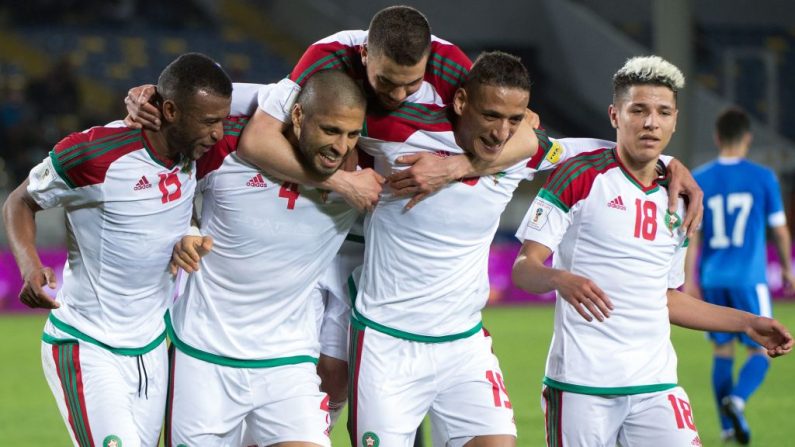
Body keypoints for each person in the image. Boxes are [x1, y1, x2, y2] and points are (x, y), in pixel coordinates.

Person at [511, 56, 793, 447]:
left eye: (662, 112)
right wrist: (560, 278)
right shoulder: (580, 175)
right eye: (638, 110)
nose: (650, 122)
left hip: (656, 385)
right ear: (615, 115)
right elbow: (524, 267)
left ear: (675, 120)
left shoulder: (681, 198)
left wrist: (747, 323)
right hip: (580, 385)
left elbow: (666, 299)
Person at [2, 53, 232, 447]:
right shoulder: (94, 155)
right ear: (172, 110)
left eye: (222, 121)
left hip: (152, 350)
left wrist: (189, 234)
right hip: (88, 346)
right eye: (209, 122)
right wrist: (29, 265)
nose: (217, 134)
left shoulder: (191, 153)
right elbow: (20, 201)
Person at [162, 69, 379, 446]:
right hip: (203, 358)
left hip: (288, 364)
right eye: (329, 130)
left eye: (352, 134)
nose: (341, 146)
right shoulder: (228, 148)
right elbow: (162, 175)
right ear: (296, 116)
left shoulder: (365, 175)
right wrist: (185, 229)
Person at [682, 107, 795, 444]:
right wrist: (788, 267)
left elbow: (693, 233)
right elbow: (780, 229)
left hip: (713, 276)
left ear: (718, 138)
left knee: (722, 353)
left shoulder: (700, 176)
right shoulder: (763, 177)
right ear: (747, 137)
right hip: (749, 277)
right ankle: (739, 400)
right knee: (761, 351)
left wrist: (690, 278)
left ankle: (728, 427)